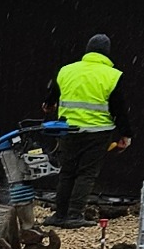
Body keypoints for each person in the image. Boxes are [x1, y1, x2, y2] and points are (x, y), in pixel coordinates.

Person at [47, 34, 131, 227]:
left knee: (67, 172)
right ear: (107, 52)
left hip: (68, 131)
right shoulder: (112, 76)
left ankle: (59, 215)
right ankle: (75, 215)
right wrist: (125, 134)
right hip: (98, 132)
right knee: (86, 173)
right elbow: (119, 109)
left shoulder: (66, 71)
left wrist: (49, 104)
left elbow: (51, 98)